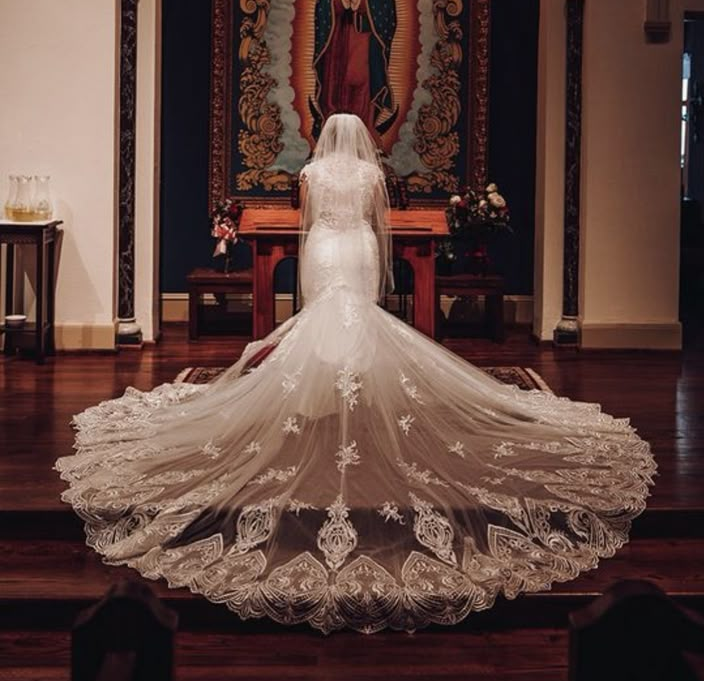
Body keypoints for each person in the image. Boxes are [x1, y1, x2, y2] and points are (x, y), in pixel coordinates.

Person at [56, 114, 655, 635]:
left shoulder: (312, 175)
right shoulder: (372, 177)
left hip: (324, 249)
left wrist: (327, 231)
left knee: (321, 318)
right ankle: (363, 393)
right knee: (361, 317)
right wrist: (357, 234)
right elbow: (376, 221)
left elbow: (308, 220)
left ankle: (319, 394)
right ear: (365, 142)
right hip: (360, 249)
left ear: (323, 139)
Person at [311, 0, 397, 141]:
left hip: (365, 39)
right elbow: (321, 7)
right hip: (338, 40)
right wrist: (337, 2)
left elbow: (388, 12)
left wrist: (364, 3)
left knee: (360, 79)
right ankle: (334, 135)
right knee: (337, 82)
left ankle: (363, 133)